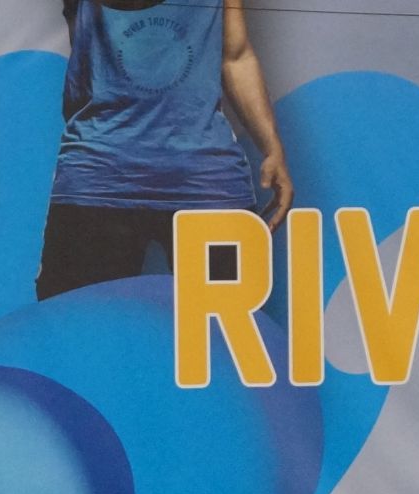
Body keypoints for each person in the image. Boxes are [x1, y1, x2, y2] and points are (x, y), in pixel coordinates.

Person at [37, 0, 290, 300]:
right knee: (78, 324)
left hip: (205, 178)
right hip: (101, 171)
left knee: (226, 326)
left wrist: (272, 148)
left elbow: (236, 55)